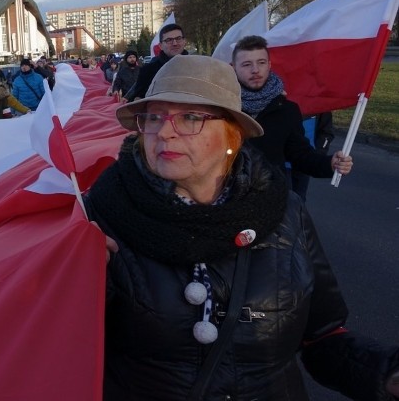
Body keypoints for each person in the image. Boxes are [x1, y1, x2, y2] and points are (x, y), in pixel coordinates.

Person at [84, 55, 399, 399]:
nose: (164, 132)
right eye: (154, 116)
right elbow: (63, 347)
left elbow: (322, 336)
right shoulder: (101, 214)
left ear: (232, 134)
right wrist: (84, 282)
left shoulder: (284, 211)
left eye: (190, 117)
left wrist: (385, 375)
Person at [231, 35, 352, 185]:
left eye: (261, 62)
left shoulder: (287, 110)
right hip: (226, 195)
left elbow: (300, 155)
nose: (255, 70)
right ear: (233, 67)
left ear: (269, 65)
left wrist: (330, 164)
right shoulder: (224, 108)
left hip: (270, 195)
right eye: (246, 64)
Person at [125, 23, 188, 101]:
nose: (175, 43)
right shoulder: (148, 70)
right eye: (169, 40)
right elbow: (139, 99)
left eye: (178, 38)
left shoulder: (197, 66)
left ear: (184, 41)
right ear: (160, 45)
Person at [291, 111, 335, 201]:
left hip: (304, 163)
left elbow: (326, 132)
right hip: (277, 163)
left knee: (297, 202)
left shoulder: (319, 103)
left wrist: (319, 157)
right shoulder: (279, 102)